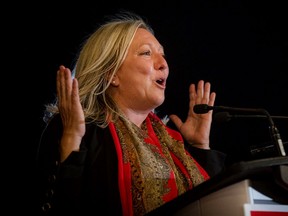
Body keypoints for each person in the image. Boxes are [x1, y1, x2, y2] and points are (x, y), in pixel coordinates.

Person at [36, 11, 226, 216]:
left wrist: (199, 149)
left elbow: (214, 206)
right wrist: (72, 139)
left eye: (163, 54)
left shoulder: (173, 141)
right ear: (112, 73)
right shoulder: (76, 128)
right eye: (146, 53)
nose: (164, 64)